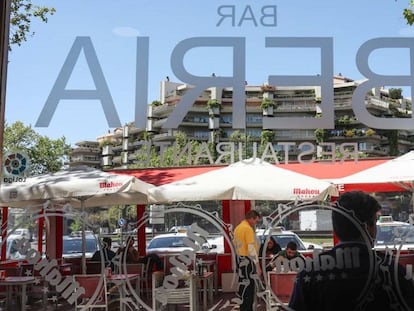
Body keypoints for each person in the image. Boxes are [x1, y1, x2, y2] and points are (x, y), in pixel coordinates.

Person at [289, 191, 414, 311]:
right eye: (375, 223)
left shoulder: (309, 272)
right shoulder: (393, 271)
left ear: (335, 227)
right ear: (368, 227)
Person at [233, 210, 262, 311]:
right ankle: (247, 308)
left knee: (243, 285)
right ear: (251, 218)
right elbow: (251, 248)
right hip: (247, 260)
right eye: (256, 221)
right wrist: (257, 265)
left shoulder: (238, 228)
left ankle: (243, 307)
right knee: (249, 287)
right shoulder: (248, 229)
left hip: (239, 259)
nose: (256, 223)